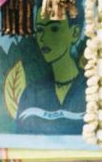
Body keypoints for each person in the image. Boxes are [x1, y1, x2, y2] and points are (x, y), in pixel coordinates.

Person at [15, 7, 86, 135]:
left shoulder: (90, 89)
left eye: (54, 28)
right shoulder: (32, 93)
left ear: (75, 33)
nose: (43, 38)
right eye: (40, 30)